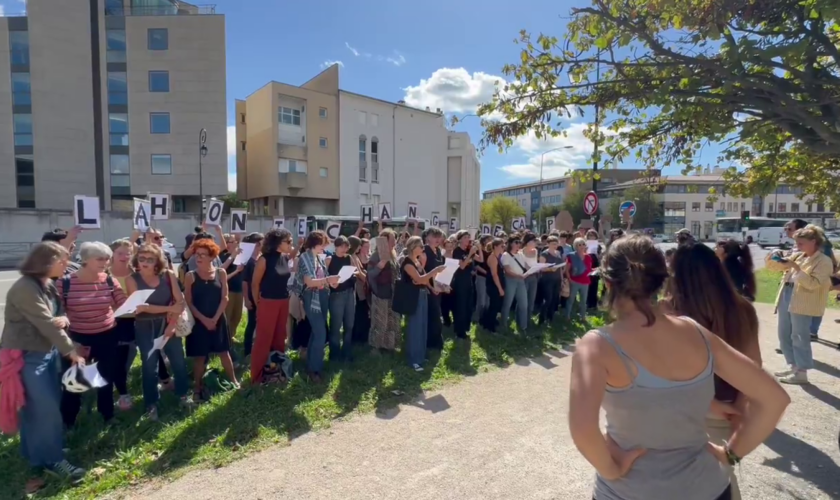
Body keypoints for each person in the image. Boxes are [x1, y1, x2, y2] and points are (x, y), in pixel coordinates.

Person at [569, 235, 790, 500]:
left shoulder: (595, 346)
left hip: (629, 492)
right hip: (708, 488)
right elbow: (774, 398)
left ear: (607, 282)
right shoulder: (695, 332)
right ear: (661, 281)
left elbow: (583, 429)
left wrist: (612, 469)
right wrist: (730, 453)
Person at [665, 242, 761, 500]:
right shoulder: (743, 309)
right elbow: (754, 367)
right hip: (727, 410)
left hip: (680, 410)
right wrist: (740, 409)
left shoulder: (669, 312)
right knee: (721, 483)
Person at [2, 242, 86, 484]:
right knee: (45, 408)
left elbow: (58, 316)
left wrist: (64, 319)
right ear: (46, 262)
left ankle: (38, 454)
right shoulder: (25, 288)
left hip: (45, 353)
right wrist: (72, 351)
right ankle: (53, 460)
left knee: (41, 407)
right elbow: (46, 323)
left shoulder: (46, 285)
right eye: (62, 260)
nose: (67, 265)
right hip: (26, 356)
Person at [56, 242, 127, 427]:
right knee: (73, 382)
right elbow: (58, 314)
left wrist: (139, 304)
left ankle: (108, 416)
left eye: (106, 258)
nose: (105, 262)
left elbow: (123, 303)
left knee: (106, 379)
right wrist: (71, 342)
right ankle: (68, 422)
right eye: (100, 258)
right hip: (77, 339)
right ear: (85, 259)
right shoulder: (64, 283)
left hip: (107, 336)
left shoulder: (110, 280)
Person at [125, 244, 191, 417]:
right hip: (145, 326)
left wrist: (170, 325)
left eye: (150, 259)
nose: (145, 262)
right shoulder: (132, 279)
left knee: (178, 361)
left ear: (157, 261)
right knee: (149, 365)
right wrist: (167, 309)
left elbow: (180, 302)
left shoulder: (168, 275)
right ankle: (151, 403)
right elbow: (139, 308)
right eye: (141, 258)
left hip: (170, 323)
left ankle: (183, 394)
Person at [765, 224, 834, 384]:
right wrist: (773, 257)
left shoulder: (824, 261)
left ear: (814, 242)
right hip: (787, 293)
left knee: (799, 336)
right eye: (797, 243)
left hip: (804, 299)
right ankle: (793, 366)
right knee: (784, 334)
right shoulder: (800, 256)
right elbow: (775, 268)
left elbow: (813, 284)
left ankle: (802, 372)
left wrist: (795, 268)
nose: (798, 246)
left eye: (801, 243)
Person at [184, 239, 239, 400]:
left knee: (224, 353)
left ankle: (234, 381)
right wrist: (204, 319)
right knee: (200, 357)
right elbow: (189, 302)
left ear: (211, 256)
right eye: (197, 254)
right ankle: (197, 387)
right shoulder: (190, 276)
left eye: (203, 254)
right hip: (199, 323)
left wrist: (214, 319)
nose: (199, 257)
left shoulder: (220, 273)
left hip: (218, 320)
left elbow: (225, 298)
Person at [250, 229, 293, 383]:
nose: (290, 244)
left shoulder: (285, 258)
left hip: (283, 301)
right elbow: (255, 284)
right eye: (288, 241)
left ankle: (276, 370)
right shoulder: (264, 259)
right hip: (268, 302)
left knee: (280, 337)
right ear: (277, 243)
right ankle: (257, 376)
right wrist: (258, 304)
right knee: (263, 339)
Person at [295, 231, 338, 382]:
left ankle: (311, 366)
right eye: (323, 244)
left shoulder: (317, 258)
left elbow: (321, 278)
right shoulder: (305, 258)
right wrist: (328, 279)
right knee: (320, 333)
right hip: (311, 296)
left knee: (316, 332)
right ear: (316, 243)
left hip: (322, 295)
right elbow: (310, 282)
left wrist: (331, 281)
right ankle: (315, 370)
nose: (325, 247)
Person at [400, 236, 445, 371]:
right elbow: (419, 279)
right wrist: (435, 271)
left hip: (422, 295)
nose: (423, 248)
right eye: (420, 246)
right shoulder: (407, 263)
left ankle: (420, 355)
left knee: (422, 325)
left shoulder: (417, 262)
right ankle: (413, 359)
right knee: (414, 327)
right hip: (412, 297)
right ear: (413, 247)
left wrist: (433, 288)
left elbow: (424, 280)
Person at [108, 239, 136, 411]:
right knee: (116, 359)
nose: (125, 256)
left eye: (128, 253)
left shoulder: (136, 273)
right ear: (112, 254)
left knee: (130, 356)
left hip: (134, 320)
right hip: (113, 322)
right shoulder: (104, 274)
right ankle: (123, 394)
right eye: (120, 253)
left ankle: (118, 383)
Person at [367, 229, 402, 353]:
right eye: (391, 239)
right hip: (380, 293)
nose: (394, 242)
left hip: (392, 293)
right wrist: (379, 267)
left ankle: (389, 345)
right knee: (380, 321)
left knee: (392, 320)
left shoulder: (393, 254)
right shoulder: (376, 255)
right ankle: (375, 347)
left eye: (394, 239)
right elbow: (370, 275)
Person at [326, 236, 356, 362]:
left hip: (349, 293)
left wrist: (352, 274)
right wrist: (332, 283)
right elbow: (324, 276)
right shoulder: (329, 259)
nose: (344, 249)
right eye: (342, 246)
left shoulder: (349, 258)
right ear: (336, 246)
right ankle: (335, 354)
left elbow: (355, 272)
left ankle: (347, 352)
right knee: (336, 325)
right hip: (336, 294)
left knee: (349, 324)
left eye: (346, 246)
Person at [451, 230, 479, 340]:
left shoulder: (468, 249)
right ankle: (459, 332)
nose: (468, 239)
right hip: (460, 281)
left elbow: (480, 259)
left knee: (469, 305)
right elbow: (462, 266)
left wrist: (479, 249)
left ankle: (466, 328)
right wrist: (470, 254)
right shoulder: (457, 251)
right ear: (460, 239)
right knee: (461, 306)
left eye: (468, 237)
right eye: (466, 237)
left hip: (468, 280)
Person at [241, 232, 264, 357]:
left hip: (261, 296)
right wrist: (246, 299)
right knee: (251, 323)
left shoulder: (260, 258)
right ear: (256, 244)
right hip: (251, 296)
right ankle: (247, 350)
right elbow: (245, 282)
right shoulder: (249, 261)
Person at [423, 227, 447, 349]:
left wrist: (443, 286)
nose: (437, 239)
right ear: (427, 237)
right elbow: (422, 273)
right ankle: (431, 343)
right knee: (433, 316)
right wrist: (431, 288)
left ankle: (436, 341)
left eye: (439, 237)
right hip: (428, 289)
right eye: (434, 236)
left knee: (437, 315)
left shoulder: (438, 251)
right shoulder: (424, 251)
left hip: (438, 289)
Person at [219, 234, 245, 344]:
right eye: (233, 241)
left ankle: (232, 335)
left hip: (239, 290)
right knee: (227, 316)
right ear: (227, 244)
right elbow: (221, 271)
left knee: (237, 316)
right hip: (228, 290)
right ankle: (225, 339)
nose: (236, 243)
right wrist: (232, 256)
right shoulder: (223, 256)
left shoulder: (240, 256)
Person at [501, 237, 530, 333]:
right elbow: (507, 270)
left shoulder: (521, 254)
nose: (518, 244)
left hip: (521, 281)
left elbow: (526, 266)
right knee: (507, 303)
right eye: (516, 242)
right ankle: (504, 324)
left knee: (524, 304)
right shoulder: (505, 255)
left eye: (519, 242)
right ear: (510, 243)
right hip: (510, 280)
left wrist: (535, 269)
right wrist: (519, 275)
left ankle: (523, 326)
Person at [480, 238, 506, 333]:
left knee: (496, 305)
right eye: (501, 246)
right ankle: (490, 326)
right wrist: (500, 289)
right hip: (493, 285)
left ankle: (489, 322)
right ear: (495, 247)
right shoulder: (492, 258)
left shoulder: (499, 256)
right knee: (494, 305)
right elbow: (494, 274)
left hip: (498, 283)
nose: (504, 247)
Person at [538, 236, 565, 324]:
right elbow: (541, 268)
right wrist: (550, 269)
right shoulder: (544, 254)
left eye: (556, 243)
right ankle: (542, 318)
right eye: (553, 244)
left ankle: (550, 317)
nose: (555, 245)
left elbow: (560, 268)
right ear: (548, 244)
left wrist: (561, 280)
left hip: (557, 279)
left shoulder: (558, 253)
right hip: (547, 280)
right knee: (548, 299)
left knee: (554, 299)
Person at [350, 236, 371, 344]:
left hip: (361, 289)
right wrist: (368, 280)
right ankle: (358, 337)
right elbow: (358, 273)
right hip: (357, 290)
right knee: (359, 314)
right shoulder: (352, 257)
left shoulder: (354, 256)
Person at [565, 238, 592, 319]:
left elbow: (589, 269)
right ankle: (567, 316)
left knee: (583, 301)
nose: (582, 246)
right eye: (579, 245)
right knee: (571, 300)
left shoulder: (588, 257)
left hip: (585, 282)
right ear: (575, 246)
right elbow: (567, 269)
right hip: (574, 281)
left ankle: (583, 316)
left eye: (583, 244)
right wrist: (570, 279)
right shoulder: (571, 256)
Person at [520, 233, 541, 319]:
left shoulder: (535, 251)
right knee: (523, 299)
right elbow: (524, 265)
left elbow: (535, 263)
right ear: (528, 242)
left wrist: (538, 267)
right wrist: (532, 269)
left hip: (534, 277)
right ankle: (522, 318)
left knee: (531, 298)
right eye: (534, 241)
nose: (535, 243)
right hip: (524, 277)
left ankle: (528, 318)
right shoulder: (520, 252)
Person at [475, 234, 493, 319]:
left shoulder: (490, 251)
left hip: (489, 278)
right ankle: (478, 317)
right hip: (481, 277)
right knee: (481, 300)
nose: (491, 241)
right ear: (484, 241)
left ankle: (485, 318)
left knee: (487, 300)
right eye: (489, 239)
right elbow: (476, 266)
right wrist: (486, 272)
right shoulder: (479, 251)